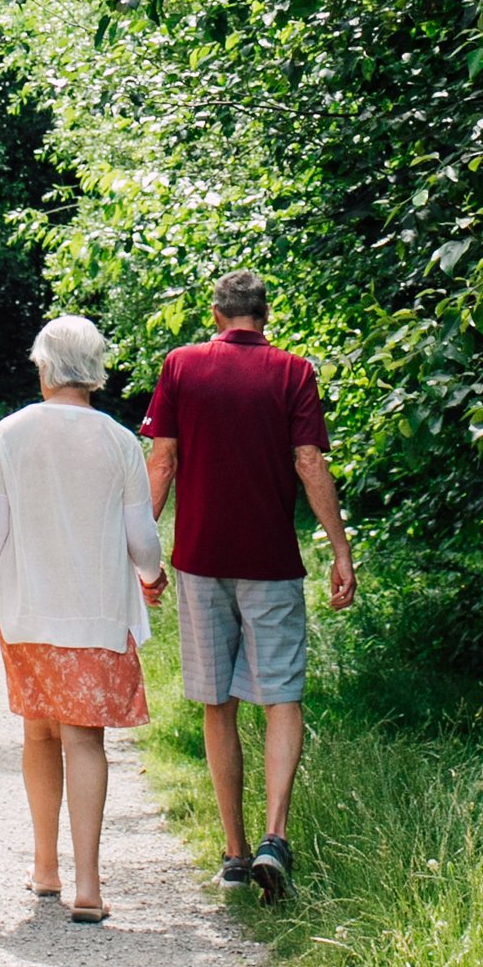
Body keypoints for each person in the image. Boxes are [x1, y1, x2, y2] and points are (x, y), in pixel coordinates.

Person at [143, 269, 355, 906]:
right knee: (281, 697)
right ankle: (275, 838)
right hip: (270, 561)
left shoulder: (180, 366)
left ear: (216, 314)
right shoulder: (294, 372)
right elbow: (310, 462)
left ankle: (234, 854)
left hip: (200, 559)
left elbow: (163, 460)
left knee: (217, 702)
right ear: (264, 315)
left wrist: (142, 555)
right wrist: (340, 550)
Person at [0, 316, 164, 924]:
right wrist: (153, 577)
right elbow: (143, 539)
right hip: (95, 612)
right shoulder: (118, 441)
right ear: (96, 368)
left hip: (28, 610)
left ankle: (45, 864)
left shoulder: (12, 432)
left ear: (44, 366)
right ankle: (89, 884)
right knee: (84, 738)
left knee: (38, 732)